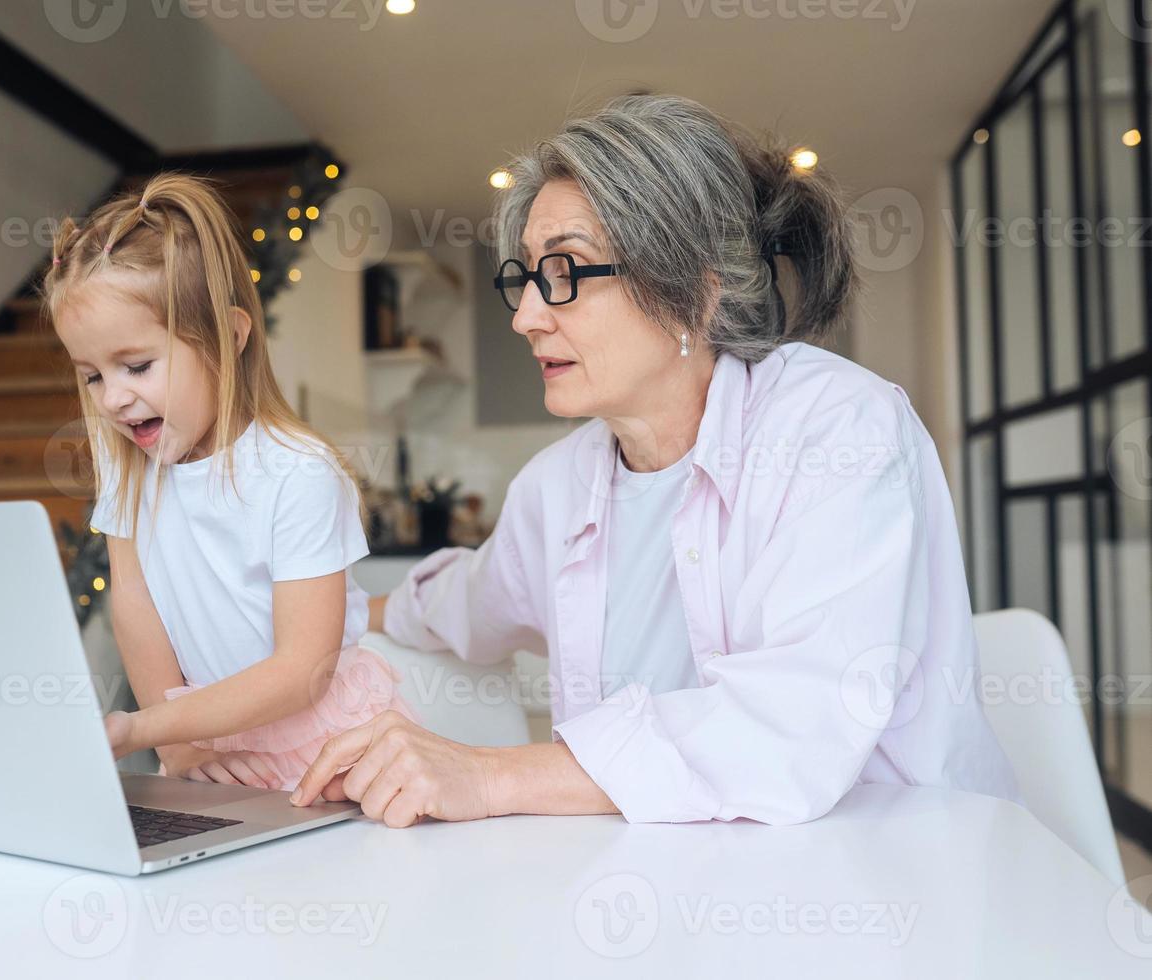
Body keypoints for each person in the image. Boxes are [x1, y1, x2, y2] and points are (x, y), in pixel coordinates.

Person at [289, 93, 1023, 827]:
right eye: (525, 278)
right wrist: (320, 613)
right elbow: (465, 603)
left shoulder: (837, 428)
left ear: (694, 295)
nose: (525, 316)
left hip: (895, 875)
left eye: (565, 272)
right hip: (664, 889)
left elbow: (794, 721)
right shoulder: (558, 485)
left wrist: (486, 778)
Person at [42, 173, 416, 792]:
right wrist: (179, 742)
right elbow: (133, 606)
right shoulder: (127, 469)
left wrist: (142, 730)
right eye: (92, 376)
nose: (113, 398)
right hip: (207, 747)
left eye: (136, 366)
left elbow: (304, 670)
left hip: (330, 748)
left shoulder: (298, 474)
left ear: (230, 337)